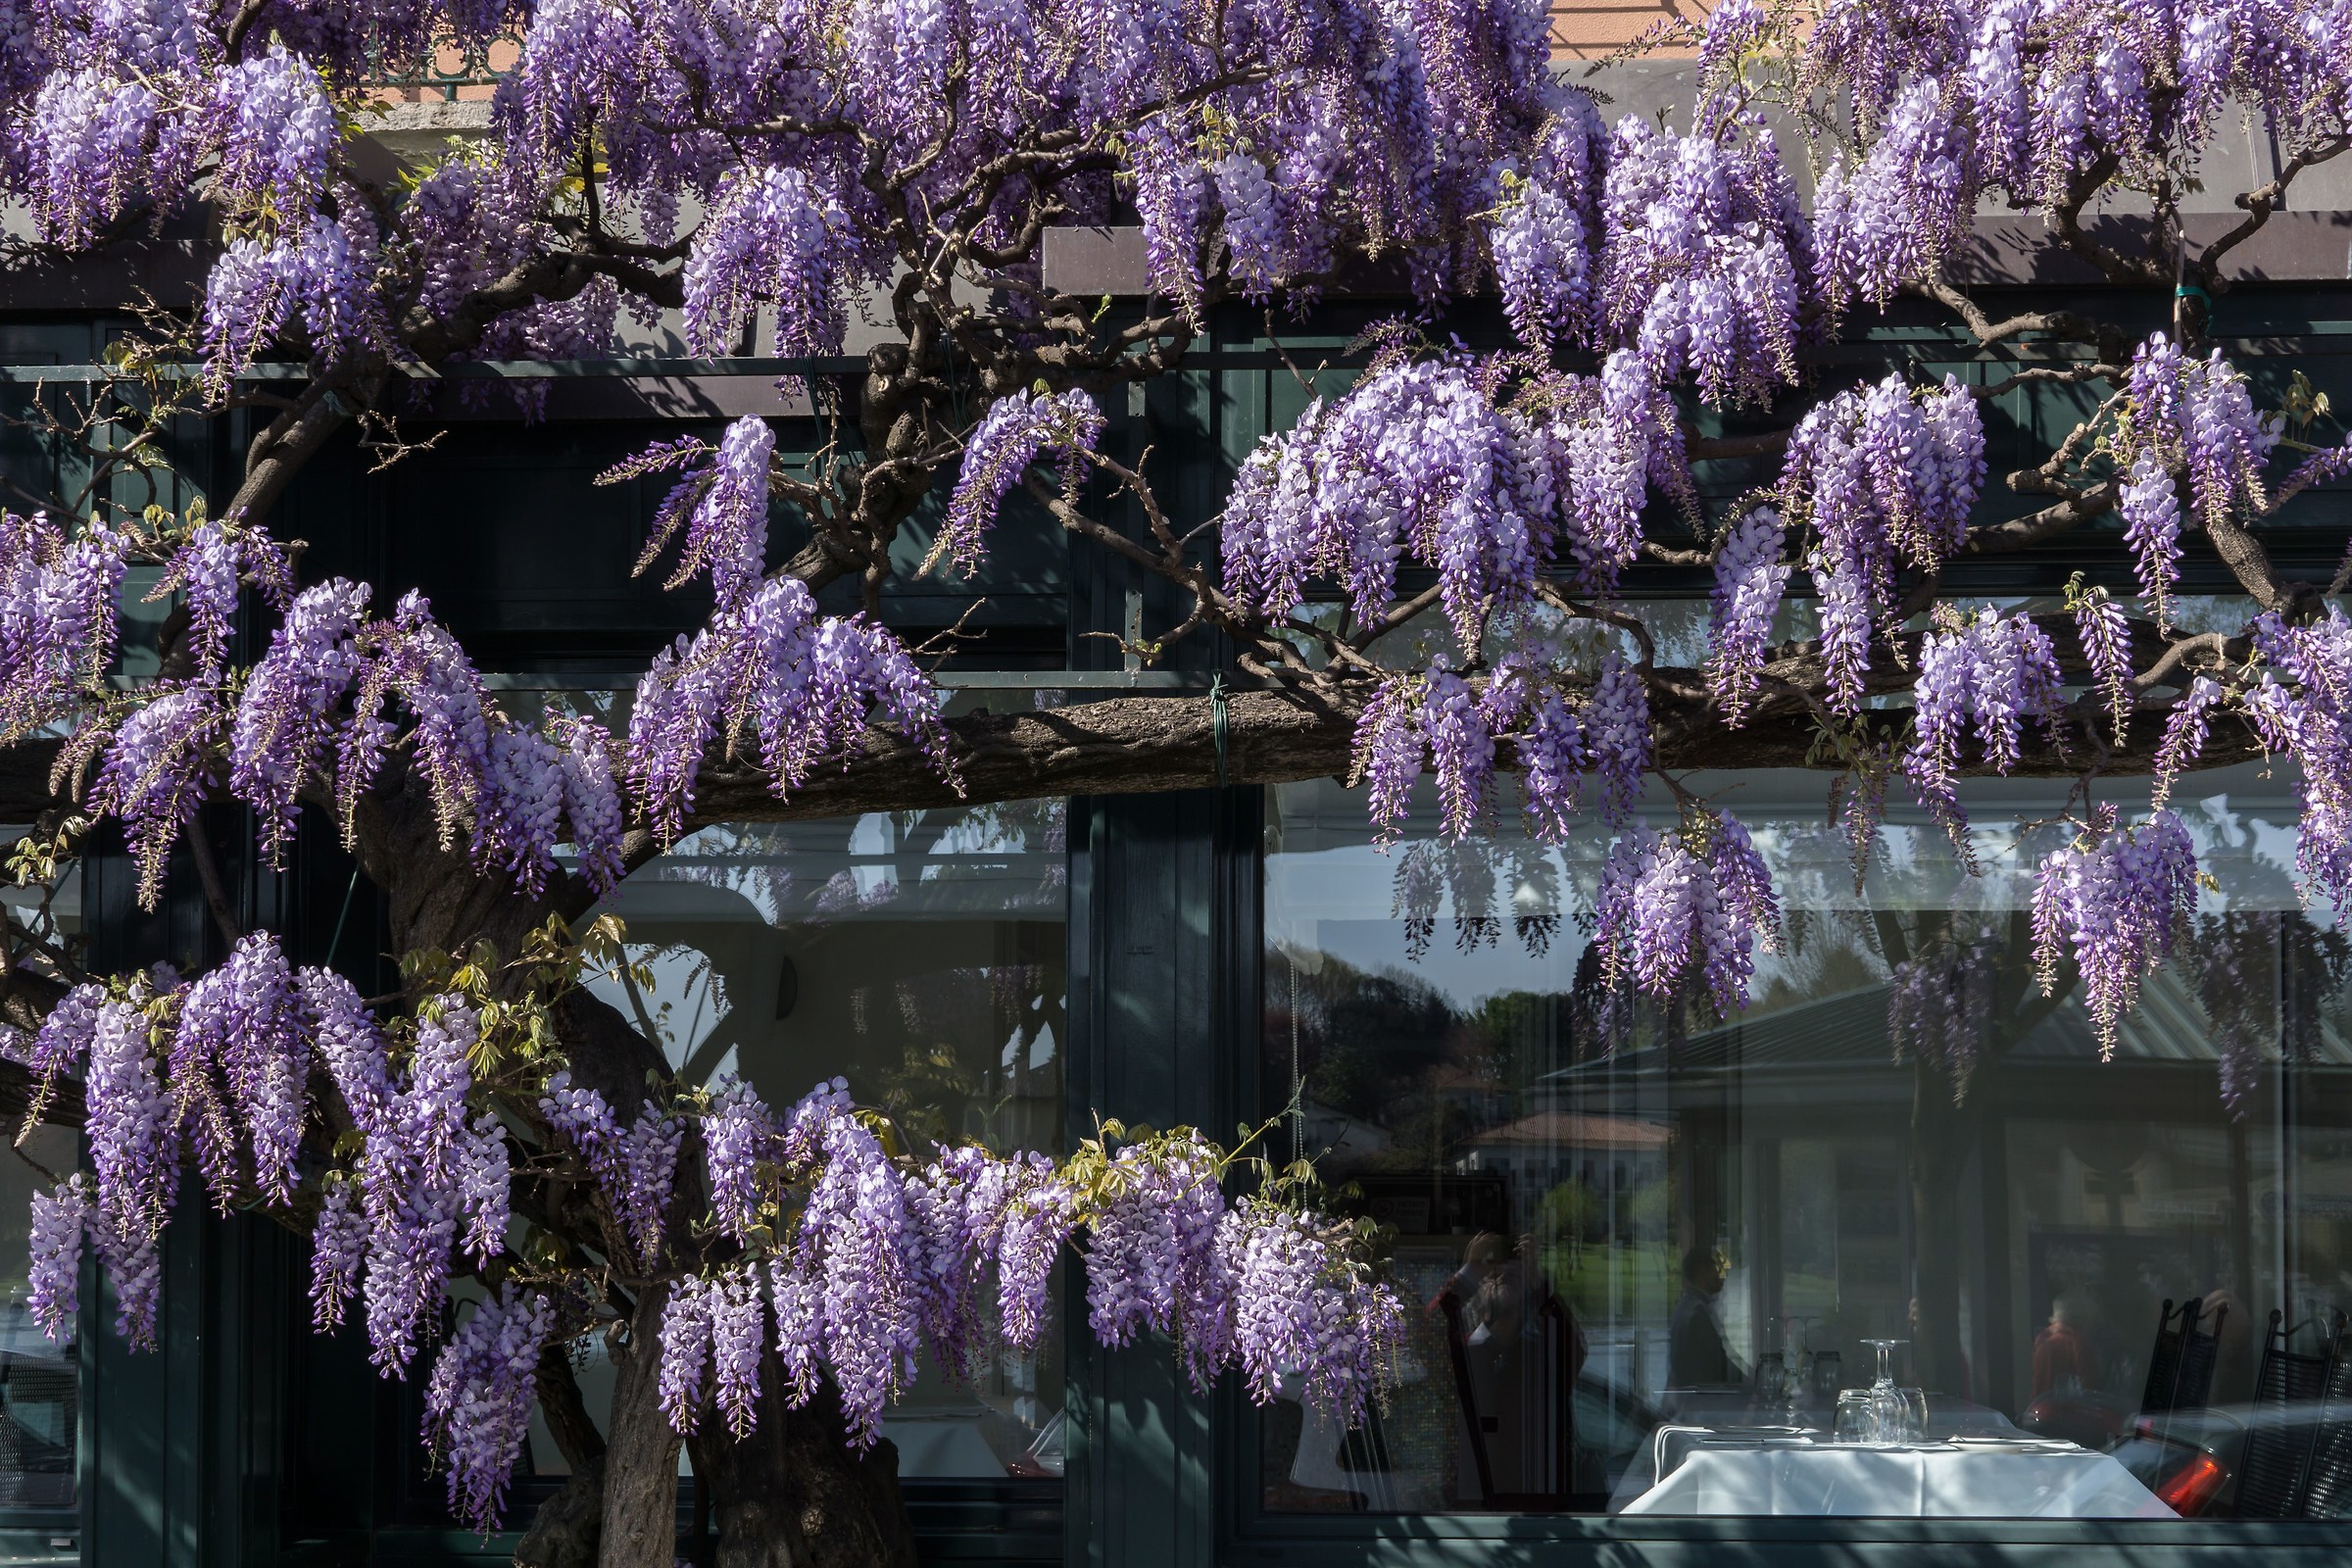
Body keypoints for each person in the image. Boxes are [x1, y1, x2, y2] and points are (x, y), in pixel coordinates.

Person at [1669, 1244, 1744, 1389]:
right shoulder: (1697, 1314)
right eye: (1719, 1269)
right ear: (1704, 1271)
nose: (1723, 1275)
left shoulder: (1688, 1307)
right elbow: (1714, 1365)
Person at [2032, 1292, 2091, 1396]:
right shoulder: (2075, 1340)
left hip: (2041, 1403)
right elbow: (2088, 1382)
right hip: (2067, 1406)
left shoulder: (2043, 1336)